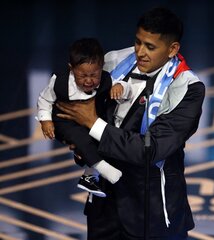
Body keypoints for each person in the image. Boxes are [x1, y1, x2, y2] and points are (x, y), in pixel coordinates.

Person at [57, 7, 205, 240]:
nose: (140, 52)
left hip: (152, 212)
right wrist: (81, 146)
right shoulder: (112, 62)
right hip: (104, 205)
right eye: (138, 42)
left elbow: (151, 150)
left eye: (150, 47)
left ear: (172, 49)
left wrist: (92, 124)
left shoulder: (187, 88)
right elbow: (77, 104)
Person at [37, 38, 130, 197]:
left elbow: (122, 87)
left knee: (103, 135)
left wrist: (121, 87)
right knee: (80, 137)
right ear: (71, 69)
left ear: (101, 68)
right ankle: (102, 168)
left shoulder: (106, 79)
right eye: (83, 75)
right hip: (65, 121)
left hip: (91, 120)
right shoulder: (59, 82)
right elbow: (44, 100)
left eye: (94, 74)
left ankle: (89, 175)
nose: (89, 80)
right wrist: (45, 120)